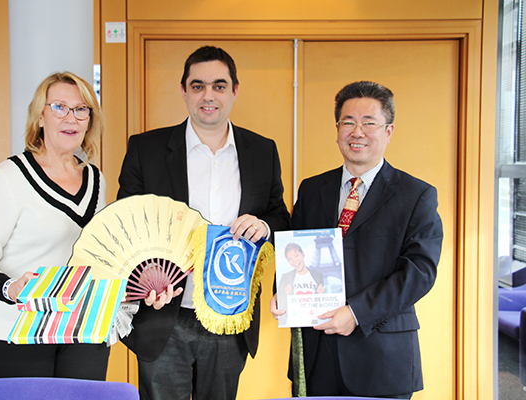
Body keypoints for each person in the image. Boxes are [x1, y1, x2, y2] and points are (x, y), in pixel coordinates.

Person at [117, 45, 291, 400]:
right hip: (161, 313)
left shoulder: (263, 151)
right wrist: (145, 272)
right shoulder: (145, 149)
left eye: (219, 86)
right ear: (184, 91)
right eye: (198, 86)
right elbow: (126, 224)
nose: (208, 96)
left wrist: (264, 226)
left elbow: (280, 216)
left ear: (234, 91)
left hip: (231, 313)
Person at [270, 81, 443, 398]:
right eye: (348, 122)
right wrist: (282, 291)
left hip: (382, 358)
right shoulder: (312, 189)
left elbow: (420, 272)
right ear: (337, 129)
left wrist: (357, 312)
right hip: (317, 355)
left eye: (369, 123)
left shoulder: (416, 195)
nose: (357, 132)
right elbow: (294, 249)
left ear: (388, 131)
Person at [0, 72, 109, 380]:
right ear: (40, 117)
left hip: (82, 330)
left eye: (81, 109)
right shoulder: (10, 177)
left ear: (89, 120)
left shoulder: (96, 179)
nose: (71, 117)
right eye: (59, 107)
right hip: (15, 332)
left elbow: (102, 255)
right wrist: (10, 287)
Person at [277, 242, 324, 325]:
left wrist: (320, 295)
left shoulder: (318, 275)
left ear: (303, 255)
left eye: (296, 256)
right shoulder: (285, 277)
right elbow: (282, 304)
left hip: (314, 322)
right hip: (292, 322)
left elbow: (322, 303)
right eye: (290, 259)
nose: (294, 261)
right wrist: (287, 294)